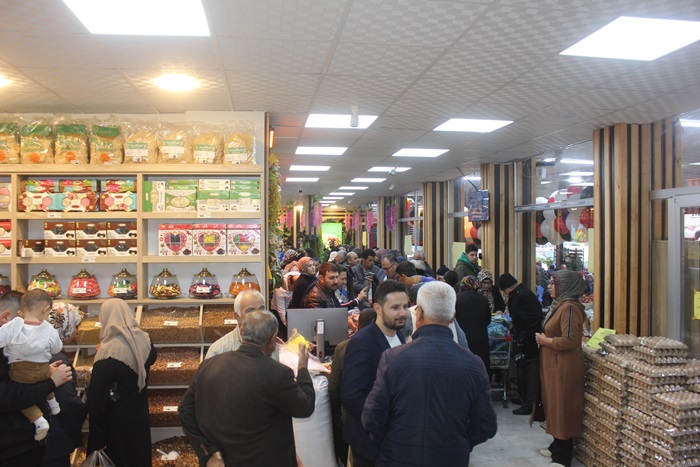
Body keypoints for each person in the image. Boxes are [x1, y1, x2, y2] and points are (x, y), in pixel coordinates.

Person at [362, 281, 497, 466]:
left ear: (419, 313)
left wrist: (392, 442)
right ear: (453, 316)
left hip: (397, 457)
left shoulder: (393, 358)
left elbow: (372, 418)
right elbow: (486, 425)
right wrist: (459, 443)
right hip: (452, 458)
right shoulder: (473, 364)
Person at [179, 311, 315, 466]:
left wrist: (207, 451)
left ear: (242, 331)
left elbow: (185, 410)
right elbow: (305, 407)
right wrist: (303, 369)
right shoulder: (278, 374)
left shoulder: (208, 365)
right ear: (273, 338)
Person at [0, 290, 73, 467]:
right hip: (14, 449)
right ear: (6, 318)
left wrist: (43, 371)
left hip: (23, 445)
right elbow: (8, 396)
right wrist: (51, 382)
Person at [341, 280, 408, 466]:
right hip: (369, 442)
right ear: (377, 308)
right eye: (395, 307)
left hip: (393, 440)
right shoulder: (362, 342)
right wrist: (380, 421)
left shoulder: (399, 334)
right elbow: (351, 395)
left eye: (405, 306)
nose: (403, 313)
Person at [87, 298, 157, 467]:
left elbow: (97, 399)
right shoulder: (145, 340)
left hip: (116, 423)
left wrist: (96, 439)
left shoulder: (108, 352)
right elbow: (152, 358)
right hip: (139, 415)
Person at [535, 271, 588, 467]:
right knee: (554, 405)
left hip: (564, 367)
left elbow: (570, 340)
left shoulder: (570, 308)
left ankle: (563, 457)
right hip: (554, 365)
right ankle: (556, 446)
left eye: (553, 283)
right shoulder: (560, 305)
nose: (549, 287)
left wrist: (545, 341)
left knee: (562, 407)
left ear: (565, 286)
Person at [328, 308, 376, 466]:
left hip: (350, 422)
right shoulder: (391, 345)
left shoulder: (344, 347)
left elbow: (334, 391)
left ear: (357, 326)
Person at [43, 302, 87, 467]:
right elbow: (66, 402)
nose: (76, 332)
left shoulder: (36, 349)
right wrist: (84, 407)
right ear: (64, 327)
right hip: (54, 440)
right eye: (75, 326)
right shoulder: (57, 359)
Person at [498, 273, 543, 416]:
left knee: (529, 372)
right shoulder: (521, 294)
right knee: (522, 371)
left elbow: (532, 320)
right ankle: (524, 399)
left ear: (507, 288)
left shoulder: (522, 296)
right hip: (525, 339)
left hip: (528, 342)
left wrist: (522, 338)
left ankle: (529, 404)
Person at [205, 290, 270, 359]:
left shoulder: (273, 346)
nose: (258, 315)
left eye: (261, 309)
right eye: (250, 311)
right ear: (237, 316)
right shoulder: (219, 350)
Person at [455, 276, 492, 373]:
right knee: (480, 365)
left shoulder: (457, 298)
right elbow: (488, 320)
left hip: (462, 336)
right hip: (480, 337)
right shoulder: (483, 299)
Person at [271, 271, 300, 340]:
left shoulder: (299, 278)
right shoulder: (279, 290)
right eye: (294, 287)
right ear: (289, 283)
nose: (295, 289)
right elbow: (281, 311)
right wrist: (287, 324)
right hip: (278, 311)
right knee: (285, 334)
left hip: (292, 308)